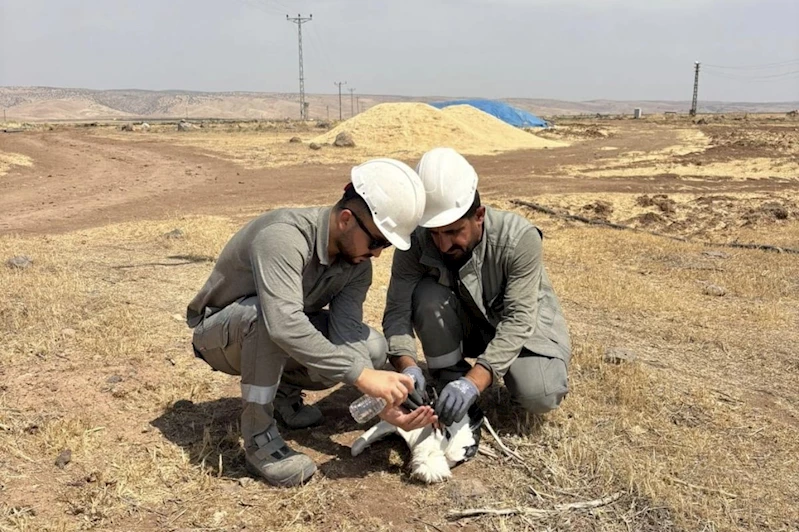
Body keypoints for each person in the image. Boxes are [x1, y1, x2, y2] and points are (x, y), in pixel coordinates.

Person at [187, 158, 428, 487]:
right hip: (219, 334)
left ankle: (283, 394)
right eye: (376, 242)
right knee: (268, 319)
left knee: (372, 347)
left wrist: (378, 403)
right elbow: (283, 324)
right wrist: (360, 376)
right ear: (346, 219)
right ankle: (258, 438)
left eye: (385, 245)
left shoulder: (356, 264)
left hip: (270, 330)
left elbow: (346, 334)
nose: (378, 254)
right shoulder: (284, 237)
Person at [383, 147, 571, 428]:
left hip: (523, 330)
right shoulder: (416, 241)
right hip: (467, 325)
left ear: (479, 215)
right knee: (426, 294)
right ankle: (449, 375)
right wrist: (407, 367)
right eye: (434, 233)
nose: (443, 245)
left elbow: (519, 319)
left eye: (453, 231)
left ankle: (476, 380)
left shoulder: (519, 238)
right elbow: (397, 311)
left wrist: (474, 382)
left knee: (539, 394)